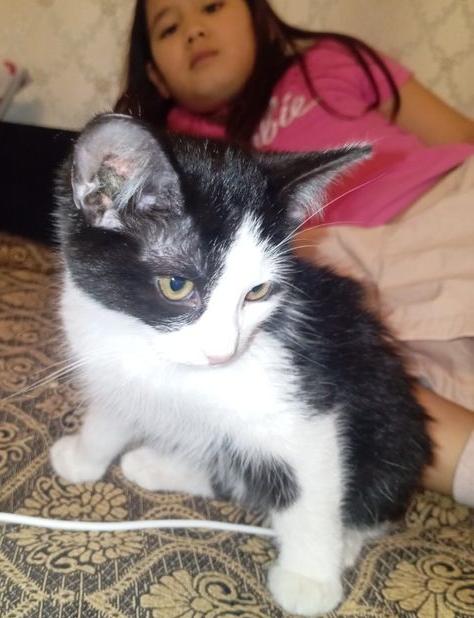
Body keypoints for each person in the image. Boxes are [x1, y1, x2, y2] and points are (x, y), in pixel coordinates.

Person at [115, 0, 474, 506]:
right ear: (156, 75)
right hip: (346, 271)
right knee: (327, 377)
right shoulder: (168, 153)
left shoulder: (327, 61)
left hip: (450, 199)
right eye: (170, 28)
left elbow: (462, 135)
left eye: (212, 6)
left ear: (257, 18)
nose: (194, 30)